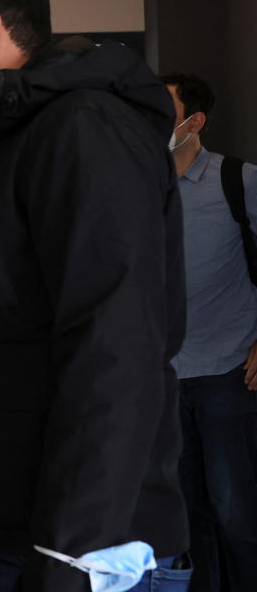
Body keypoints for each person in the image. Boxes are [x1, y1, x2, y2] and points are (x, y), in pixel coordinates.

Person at [0, 0, 190, 591]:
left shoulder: (83, 127)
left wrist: (74, 551)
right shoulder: (4, 145)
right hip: (17, 531)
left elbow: (115, 344)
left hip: (85, 546)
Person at [162, 72, 257, 591]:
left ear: (193, 122)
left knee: (237, 515)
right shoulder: (138, 187)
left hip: (227, 374)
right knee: (185, 520)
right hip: (163, 380)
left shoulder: (238, 181)